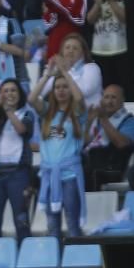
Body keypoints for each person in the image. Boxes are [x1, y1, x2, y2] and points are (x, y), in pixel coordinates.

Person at [29, 51, 88, 239]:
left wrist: (64, 72)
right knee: (52, 225)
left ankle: (76, 263)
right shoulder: (47, 112)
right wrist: (48, 75)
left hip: (69, 175)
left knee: (72, 223)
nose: (61, 90)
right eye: (57, 87)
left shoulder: (77, 113)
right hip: (49, 176)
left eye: (65, 87)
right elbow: (31, 99)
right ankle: (55, 262)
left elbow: (79, 98)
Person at [0, 78, 34, 239]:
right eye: (5, 91)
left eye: (13, 90)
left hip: (18, 175)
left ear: (20, 94)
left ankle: (25, 259)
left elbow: (22, 129)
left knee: (21, 221)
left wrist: (8, 110)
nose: (9, 94)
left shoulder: (27, 113)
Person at [89, 0, 134, 101]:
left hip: (124, 51)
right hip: (101, 51)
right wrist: (99, 3)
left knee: (126, 89)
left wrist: (110, 0)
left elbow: (127, 18)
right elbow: (90, 20)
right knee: (104, 89)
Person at [83, 84, 134, 191]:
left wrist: (104, 119)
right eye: (106, 97)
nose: (109, 101)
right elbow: (85, 143)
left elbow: (121, 143)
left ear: (122, 100)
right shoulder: (100, 118)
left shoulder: (130, 121)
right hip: (90, 162)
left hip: (111, 168)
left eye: (113, 97)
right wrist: (89, 122)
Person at [44, 34, 104, 108]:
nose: (70, 51)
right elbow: (42, 92)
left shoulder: (92, 67)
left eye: (75, 48)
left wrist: (64, 71)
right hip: (66, 116)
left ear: (83, 53)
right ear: (62, 51)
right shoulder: (58, 69)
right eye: (67, 47)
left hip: (90, 115)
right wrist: (49, 74)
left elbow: (86, 90)